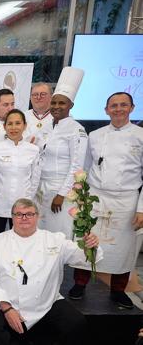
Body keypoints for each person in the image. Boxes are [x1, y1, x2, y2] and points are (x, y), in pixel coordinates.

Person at [0, 198, 100, 345]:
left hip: (46, 303)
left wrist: (89, 247)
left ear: (37, 216)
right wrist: (7, 308)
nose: (24, 218)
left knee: (76, 322)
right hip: (9, 302)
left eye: (29, 214)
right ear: (12, 217)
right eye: (19, 214)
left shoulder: (55, 240)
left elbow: (82, 258)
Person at [69, 92, 143, 309]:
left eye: (123, 105)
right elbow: (86, 167)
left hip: (126, 200)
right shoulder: (96, 135)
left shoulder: (141, 136)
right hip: (97, 197)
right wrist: (81, 198)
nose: (118, 109)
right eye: (113, 106)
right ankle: (79, 284)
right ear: (106, 110)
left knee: (124, 248)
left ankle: (118, 291)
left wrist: (142, 208)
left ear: (131, 108)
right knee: (86, 241)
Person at [36, 67, 88, 238]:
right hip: (41, 188)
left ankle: (61, 266)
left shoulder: (76, 130)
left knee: (59, 233)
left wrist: (61, 194)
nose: (57, 107)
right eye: (54, 102)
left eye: (62, 103)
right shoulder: (47, 126)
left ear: (71, 105)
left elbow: (77, 166)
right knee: (41, 232)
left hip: (60, 191)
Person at [0, 110, 40, 238]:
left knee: (21, 240)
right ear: (4, 127)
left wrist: (27, 200)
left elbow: (35, 180)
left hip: (23, 208)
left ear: (25, 126)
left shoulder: (33, 150)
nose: (13, 127)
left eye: (18, 123)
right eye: (10, 124)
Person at [24, 83, 53, 149]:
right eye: (35, 95)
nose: (38, 97)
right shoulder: (22, 116)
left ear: (51, 97)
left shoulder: (59, 117)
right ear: (30, 98)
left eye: (43, 94)